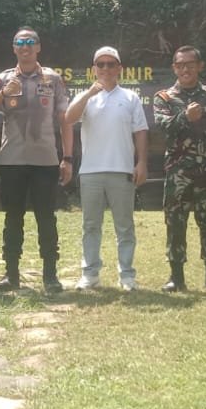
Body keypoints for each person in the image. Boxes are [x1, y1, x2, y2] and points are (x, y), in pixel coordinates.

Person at [0, 27, 71, 293]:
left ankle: (50, 275)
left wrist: (67, 157)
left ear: (39, 47)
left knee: (46, 217)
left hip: (46, 161)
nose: (25, 47)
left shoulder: (53, 79)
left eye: (30, 42)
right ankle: (11, 274)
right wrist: (3, 93)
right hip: (12, 161)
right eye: (20, 42)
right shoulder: (3, 78)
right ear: (14, 48)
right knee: (13, 218)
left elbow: (64, 120)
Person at [67, 47, 148, 291]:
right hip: (91, 172)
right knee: (90, 226)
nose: (105, 68)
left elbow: (141, 132)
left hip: (121, 170)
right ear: (94, 69)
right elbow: (69, 118)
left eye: (110, 64)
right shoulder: (86, 96)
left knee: (124, 226)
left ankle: (127, 276)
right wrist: (89, 93)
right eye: (100, 64)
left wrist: (142, 162)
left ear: (119, 68)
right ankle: (90, 274)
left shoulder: (131, 98)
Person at [153, 46, 206, 294]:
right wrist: (186, 117)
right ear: (174, 68)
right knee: (175, 224)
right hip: (179, 173)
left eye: (189, 64)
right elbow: (163, 128)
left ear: (200, 66)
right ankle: (176, 277)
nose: (185, 69)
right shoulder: (164, 97)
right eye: (179, 65)